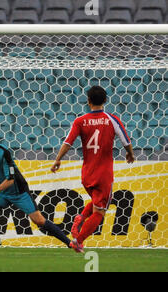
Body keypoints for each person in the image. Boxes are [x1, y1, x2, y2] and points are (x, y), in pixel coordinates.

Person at [0, 123, 71, 248]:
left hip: (19, 193)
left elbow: (10, 179)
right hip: (2, 194)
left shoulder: (3, 152)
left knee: (39, 220)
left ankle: (70, 243)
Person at [51, 85, 135, 253]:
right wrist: (130, 154)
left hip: (87, 173)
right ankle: (78, 240)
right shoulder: (112, 119)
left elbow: (68, 142)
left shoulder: (80, 121)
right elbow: (125, 140)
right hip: (104, 174)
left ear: (88, 101)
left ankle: (80, 217)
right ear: (105, 100)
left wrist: (58, 159)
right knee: (100, 212)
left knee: (97, 203)